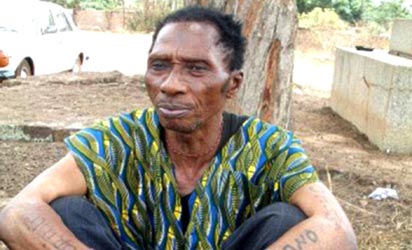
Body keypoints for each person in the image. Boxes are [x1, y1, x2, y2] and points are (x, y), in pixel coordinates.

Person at [0, 5, 357, 250]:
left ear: (232, 85)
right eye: (159, 65)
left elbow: (336, 228)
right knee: (66, 210)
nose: (171, 84)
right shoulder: (120, 139)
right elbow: (18, 211)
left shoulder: (267, 146)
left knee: (286, 219)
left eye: (196, 68)